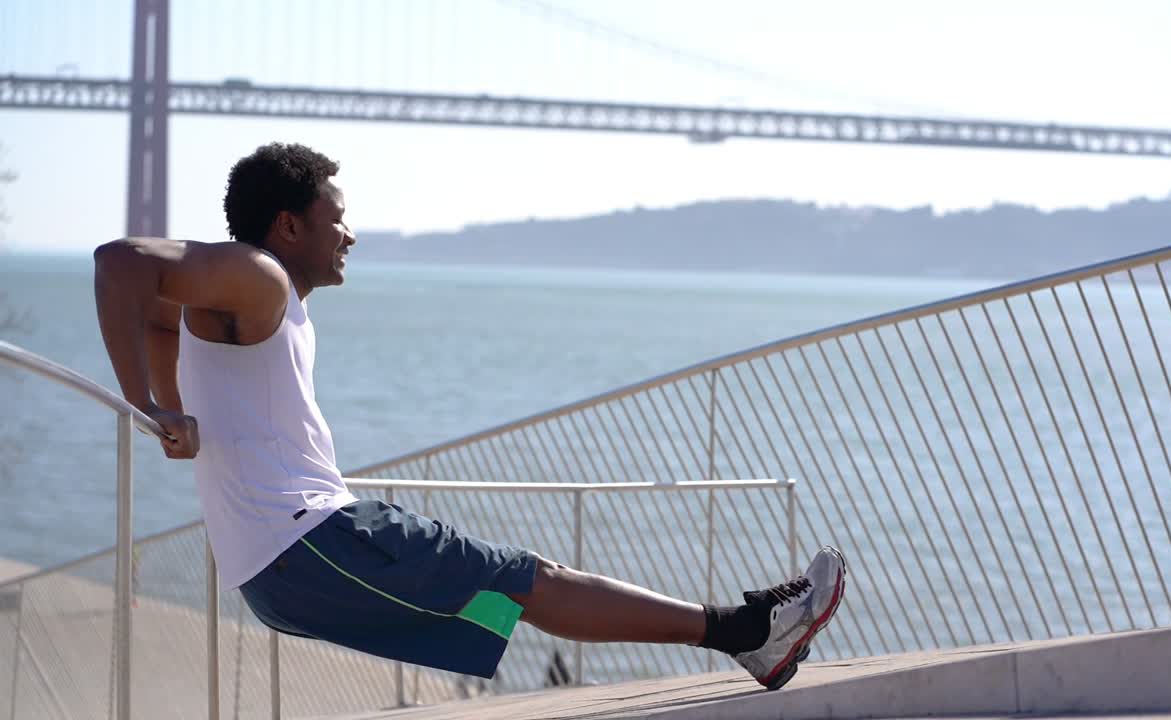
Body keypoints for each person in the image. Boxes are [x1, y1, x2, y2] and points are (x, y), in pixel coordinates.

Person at [93, 142, 846, 691]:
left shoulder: (245, 299)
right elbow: (120, 260)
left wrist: (174, 411)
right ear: (290, 227)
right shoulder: (256, 274)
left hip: (283, 564)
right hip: (313, 541)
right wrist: (152, 405)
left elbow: (160, 316)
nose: (350, 235)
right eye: (338, 219)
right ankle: (750, 633)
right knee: (527, 579)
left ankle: (743, 635)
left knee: (516, 588)